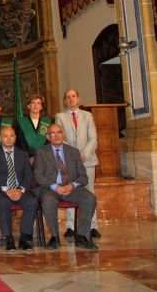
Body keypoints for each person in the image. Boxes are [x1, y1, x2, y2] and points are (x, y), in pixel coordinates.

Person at [34, 123, 98, 250]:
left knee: (90, 198)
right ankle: (54, 237)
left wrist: (73, 185)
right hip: (50, 189)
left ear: (63, 134)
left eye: (59, 132)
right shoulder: (41, 152)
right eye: (52, 133)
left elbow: (83, 177)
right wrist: (55, 187)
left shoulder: (74, 152)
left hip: (71, 189)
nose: (56, 135)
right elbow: (38, 175)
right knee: (48, 201)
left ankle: (81, 237)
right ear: (48, 137)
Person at [54, 89, 100, 240]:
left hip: (87, 160)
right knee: (70, 191)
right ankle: (70, 226)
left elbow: (93, 138)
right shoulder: (60, 117)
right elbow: (60, 138)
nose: (71, 99)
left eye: (73, 96)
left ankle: (92, 226)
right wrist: (74, 156)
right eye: (68, 97)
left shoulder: (88, 116)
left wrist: (84, 154)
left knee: (89, 192)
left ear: (78, 98)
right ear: (65, 101)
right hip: (69, 161)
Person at [0, 126, 38, 252]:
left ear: (15, 137)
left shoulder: (22, 154)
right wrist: (7, 190)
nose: (9, 139)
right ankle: (9, 238)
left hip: (20, 189)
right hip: (0, 189)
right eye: (5, 136)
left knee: (32, 202)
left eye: (11, 136)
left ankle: (24, 239)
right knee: (3, 202)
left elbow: (28, 175)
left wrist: (21, 190)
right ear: (0, 138)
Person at [15, 94, 52, 162]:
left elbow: (49, 141)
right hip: (26, 159)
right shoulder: (21, 122)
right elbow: (20, 142)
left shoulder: (48, 122)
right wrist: (29, 156)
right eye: (33, 103)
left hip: (44, 158)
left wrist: (42, 155)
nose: (35, 105)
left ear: (41, 107)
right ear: (28, 106)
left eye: (38, 103)